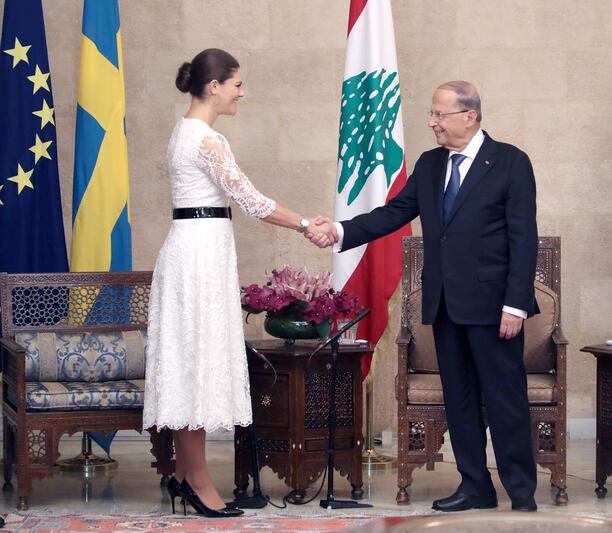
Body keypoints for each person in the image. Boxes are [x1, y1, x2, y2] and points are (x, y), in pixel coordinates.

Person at [311, 81, 539, 512]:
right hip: (446, 304)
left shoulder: (510, 162)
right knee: (461, 399)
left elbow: (523, 238)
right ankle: (476, 486)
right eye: (431, 115)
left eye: (440, 114)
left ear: (468, 117)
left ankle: (521, 491)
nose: (432, 122)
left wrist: (516, 304)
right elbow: (394, 214)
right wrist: (340, 231)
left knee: (505, 399)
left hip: (495, 309)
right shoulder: (431, 164)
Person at [142, 48, 333, 517]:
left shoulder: (182, 132)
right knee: (198, 362)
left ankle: (187, 476)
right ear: (214, 87)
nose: (241, 94)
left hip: (194, 249)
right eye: (237, 84)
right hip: (198, 258)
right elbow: (253, 201)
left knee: (193, 362)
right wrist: (308, 222)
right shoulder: (208, 140)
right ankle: (197, 480)